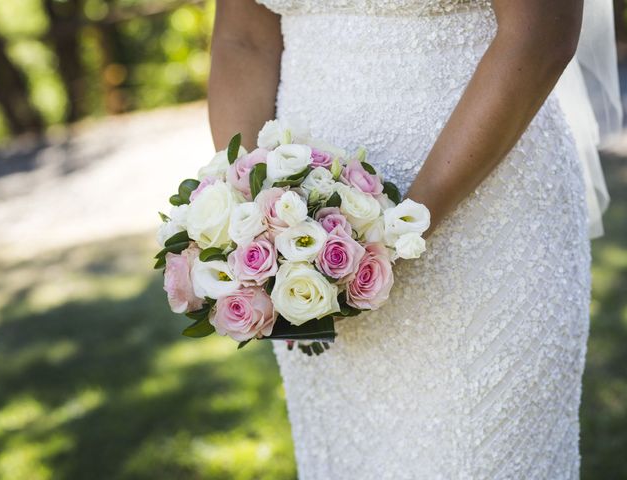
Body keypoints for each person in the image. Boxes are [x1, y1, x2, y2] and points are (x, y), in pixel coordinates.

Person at [207, 1, 612, 477]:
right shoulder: (292, 237)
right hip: (306, 240)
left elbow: (541, 33)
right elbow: (243, 40)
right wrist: (257, 213)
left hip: (487, 223)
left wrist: (399, 230)